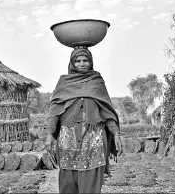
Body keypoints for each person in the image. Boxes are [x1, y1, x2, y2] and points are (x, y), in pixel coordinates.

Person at [45, 46, 123, 194]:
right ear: (72, 63)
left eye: (85, 60)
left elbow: (106, 111)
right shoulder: (64, 83)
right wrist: (49, 134)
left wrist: (116, 133)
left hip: (93, 137)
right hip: (68, 137)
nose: (82, 64)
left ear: (91, 62)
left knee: (91, 179)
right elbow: (54, 111)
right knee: (68, 179)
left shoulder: (96, 81)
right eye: (78, 61)